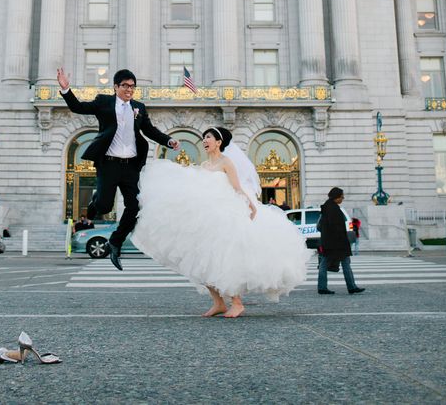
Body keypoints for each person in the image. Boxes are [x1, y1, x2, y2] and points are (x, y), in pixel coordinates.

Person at [132, 127, 310, 318]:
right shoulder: (204, 165)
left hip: (224, 216)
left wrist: (251, 205)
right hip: (206, 218)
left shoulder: (226, 162)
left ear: (218, 142)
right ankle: (218, 303)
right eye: (203, 138)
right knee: (201, 261)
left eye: (208, 137)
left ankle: (237, 303)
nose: (204, 140)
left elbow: (237, 188)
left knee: (223, 260)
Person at [57, 67, 180, 271]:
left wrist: (169, 141)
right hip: (109, 164)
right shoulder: (104, 102)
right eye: (125, 86)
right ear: (116, 87)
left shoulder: (138, 107)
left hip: (131, 165)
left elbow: (149, 130)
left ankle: (116, 241)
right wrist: (66, 89)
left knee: (134, 206)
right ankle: (97, 199)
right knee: (104, 207)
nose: (129, 89)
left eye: (132, 86)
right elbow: (78, 107)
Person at [317, 187, 365, 295]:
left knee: (324, 264)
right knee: (344, 263)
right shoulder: (333, 209)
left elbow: (320, 226)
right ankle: (351, 287)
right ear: (336, 197)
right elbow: (336, 228)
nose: (343, 198)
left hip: (329, 242)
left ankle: (322, 287)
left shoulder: (326, 208)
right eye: (341, 196)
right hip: (337, 243)